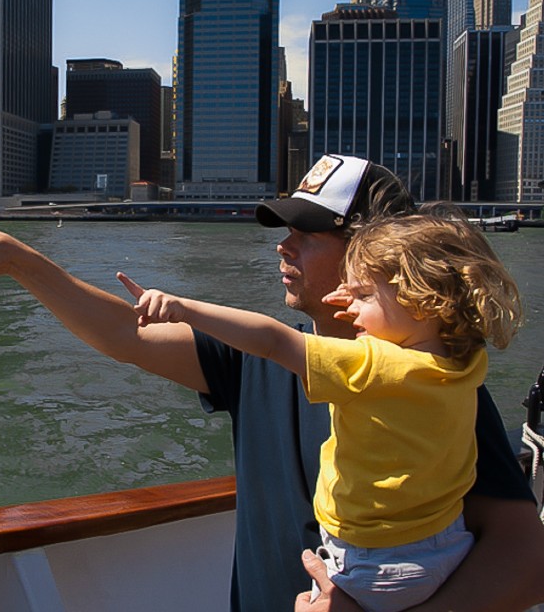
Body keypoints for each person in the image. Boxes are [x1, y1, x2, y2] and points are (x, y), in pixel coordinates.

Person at [0, 154, 544, 612]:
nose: (283, 247)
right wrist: (22, 261)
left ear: (372, 254)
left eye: (306, 232)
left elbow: (524, 557)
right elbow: (125, 335)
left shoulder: (437, 389)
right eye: (284, 231)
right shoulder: (261, 358)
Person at [117, 211, 522, 611]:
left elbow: (273, 341)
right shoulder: (464, 363)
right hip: (444, 549)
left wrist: (184, 308)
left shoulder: (369, 367)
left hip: (372, 566)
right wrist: (376, 303)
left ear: (421, 300)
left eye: (362, 295)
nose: (350, 306)